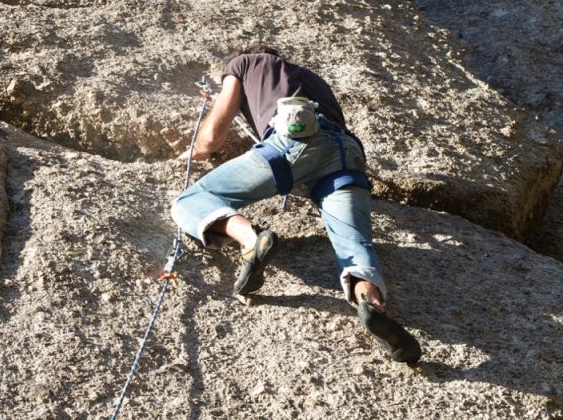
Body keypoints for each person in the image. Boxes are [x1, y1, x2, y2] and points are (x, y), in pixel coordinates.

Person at [171, 44, 422, 364]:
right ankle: (369, 301)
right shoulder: (315, 80)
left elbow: (211, 138)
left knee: (189, 201)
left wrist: (195, 151)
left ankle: (251, 240)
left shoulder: (243, 63)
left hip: (294, 142)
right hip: (346, 155)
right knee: (354, 245)